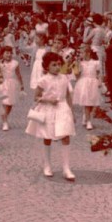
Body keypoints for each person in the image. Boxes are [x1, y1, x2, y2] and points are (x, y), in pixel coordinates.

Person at [25, 52, 76, 181]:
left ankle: (66, 168)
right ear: (46, 67)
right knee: (47, 137)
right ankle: (47, 165)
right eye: (54, 65)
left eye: (59, 64)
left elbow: (68, 95)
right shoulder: (43, 80)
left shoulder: (64, 78)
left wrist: (71, 110)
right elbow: (36, 97)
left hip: (62, 108)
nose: (57, 67)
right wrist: (48, 100)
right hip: (48, 109)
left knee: (65, 135)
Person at [72, 44, 102, 131]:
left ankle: (86, 115)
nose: (80, 55)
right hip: (84, 83)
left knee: (93, 103)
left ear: (88, 53)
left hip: (93, 82)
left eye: (82, 53)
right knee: (86, 102)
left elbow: (99, 73)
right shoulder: (80, 63)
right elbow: (77, 75)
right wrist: (77, 65)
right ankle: (89, 121)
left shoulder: (95, 62)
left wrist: (100, 80)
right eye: (80, 53)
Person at [0, 46, 24, 131]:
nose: (9, 55)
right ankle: (5, 122)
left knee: (10, 103)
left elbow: (18, 74)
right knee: (4, 102)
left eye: (10, 53)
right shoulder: (0, 64)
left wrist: (22, 84)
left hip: (13, 84)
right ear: (2, 54)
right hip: (3, 84)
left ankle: (5, 116)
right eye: (6, 53)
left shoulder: (15, 63)